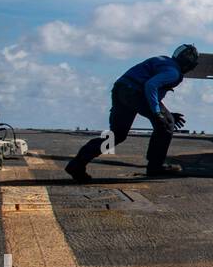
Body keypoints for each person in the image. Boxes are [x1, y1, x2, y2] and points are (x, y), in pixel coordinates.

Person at [64, 44, 200, 183]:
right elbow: (151, 86)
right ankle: (155, 167)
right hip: (136, 93)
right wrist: (158, 113)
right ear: (189, 65)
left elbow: (148, 85)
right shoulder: (173, 72)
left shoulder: (163, 61)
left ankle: (77, 165)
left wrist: (167, 114)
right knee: (166, 126)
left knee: (117, 135)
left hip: (121, 90)